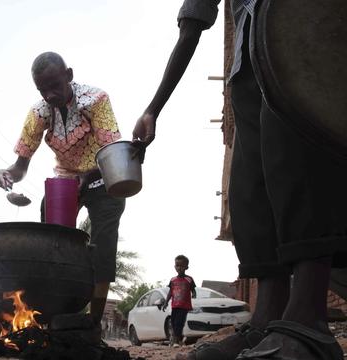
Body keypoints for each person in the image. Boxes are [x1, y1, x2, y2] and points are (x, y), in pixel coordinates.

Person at [133, 1, 347, 359]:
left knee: (295, 156)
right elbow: (194, 19)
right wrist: (154, 107)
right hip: (247, 61)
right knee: (250, 186)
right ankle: (267, 318)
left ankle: (309, 320)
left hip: (300, 27)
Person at [0, 52, 125, 325]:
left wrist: (87, 179)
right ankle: (51, 315)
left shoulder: (96, 100)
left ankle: (92, 323)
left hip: (103, 176)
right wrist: (8, 173)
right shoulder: (38, 113)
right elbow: (21, 165)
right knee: (52, 244)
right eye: (43, 89)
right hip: (66, 180)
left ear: (69, 75)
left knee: (103, 249)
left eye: (55, 85)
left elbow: (111, 151)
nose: (50, 94)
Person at [162, 255, 197, 347]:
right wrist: (166, 302)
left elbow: (193, 289)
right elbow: (170, 292)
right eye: (177, 265)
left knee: (179, 323)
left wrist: (194, 294)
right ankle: (179, 340)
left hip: (184, 306)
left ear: (186, 267)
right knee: (173, 323)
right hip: (174, 305)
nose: (179, 268)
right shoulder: (173, 280)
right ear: (175, 267)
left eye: (181, 266)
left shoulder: (189, 279)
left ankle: (176, 342)